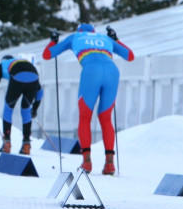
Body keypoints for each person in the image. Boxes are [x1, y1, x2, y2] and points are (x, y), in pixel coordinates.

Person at [42, 23, 134, 175]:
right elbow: (130, 56)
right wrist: (115, 39)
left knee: (85, 117)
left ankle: (86, 162)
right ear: (94, 32)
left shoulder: (75, 37)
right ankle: (110, 164)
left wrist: (53, 40)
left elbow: (47, 55)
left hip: (91, 71)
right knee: (106, 118)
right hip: (112, 72)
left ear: (80, 31)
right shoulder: (105, 38)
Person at [0, 55, 44, 155]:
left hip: (17, 75)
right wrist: (34, 109)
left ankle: (6, 144)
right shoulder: (23, 63)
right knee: (26, 109)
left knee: (8, 108)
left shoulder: (2, 65)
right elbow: (40, 92)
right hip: (33, 74)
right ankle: (26, 145)